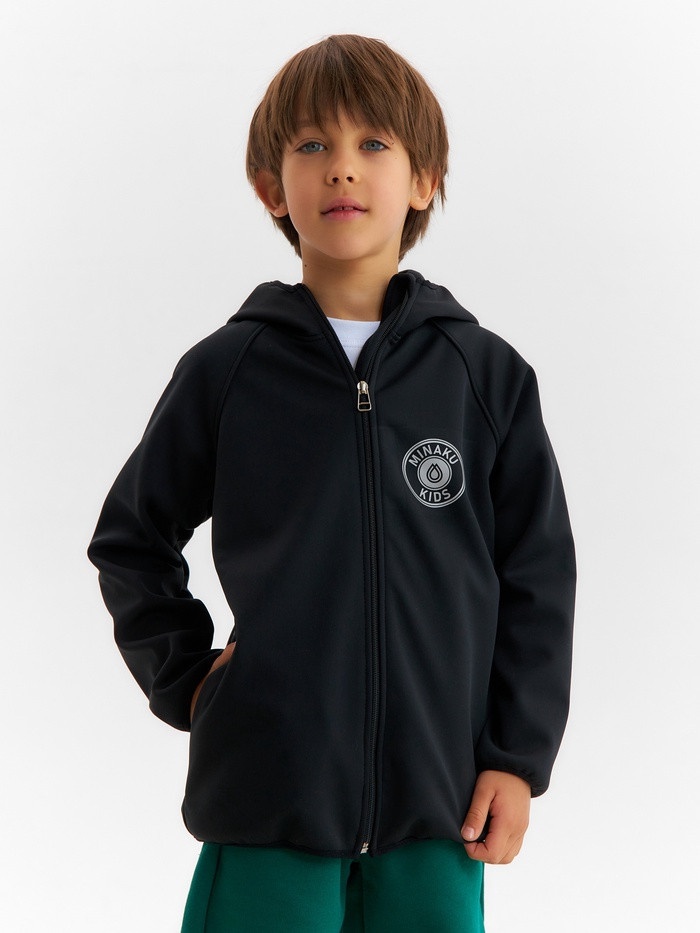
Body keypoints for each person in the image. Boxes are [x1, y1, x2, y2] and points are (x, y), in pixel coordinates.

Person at [87, 34, 576, 933]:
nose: (342, 167)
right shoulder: (228, 370)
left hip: (439, 801)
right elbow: (131, 539)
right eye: (312, 145)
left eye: (372, 144)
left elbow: (538, 578)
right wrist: (187, 678)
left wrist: (516, 757)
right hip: (268, 797)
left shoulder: (484, 376)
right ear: (271, 188)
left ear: (423, 179)